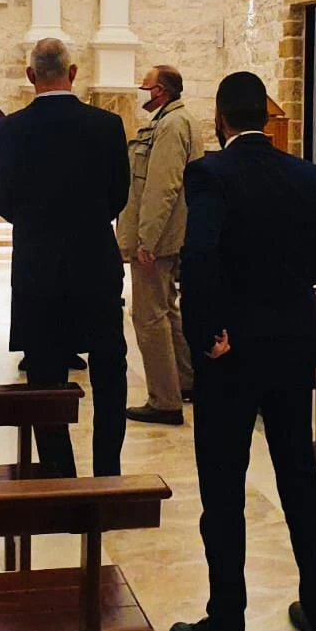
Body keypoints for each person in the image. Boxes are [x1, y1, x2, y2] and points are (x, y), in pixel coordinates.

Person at [171, 72, 316, 631]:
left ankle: (227, 621)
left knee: (223, 489)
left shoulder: (211, 172)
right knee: (300, 480)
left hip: (233, 354)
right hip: (291, 344)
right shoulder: (307, 175)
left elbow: (201, 253)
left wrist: (205, 332)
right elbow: (315, 260)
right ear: (264, 118)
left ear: (220, 118)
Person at [0, 38, 130, 478]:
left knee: (45, 372)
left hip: (37, 263)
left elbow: (1, 200)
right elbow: (118, 196)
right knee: (108, 367)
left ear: (31, 76)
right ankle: (107, 471)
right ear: (73, 73)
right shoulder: (107, 126)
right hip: (94, 260)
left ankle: (58, 471)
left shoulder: (8, 130)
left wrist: (36, 224)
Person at [117, 65, 202, 426]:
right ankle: (185, 381)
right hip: (165, 234)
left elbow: (162, 187)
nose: (142, 93)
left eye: (146, 87)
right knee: (167, 309)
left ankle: (164, 400)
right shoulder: (171, 120)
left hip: (158, 237)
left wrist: (146, 239)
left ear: (162, 91)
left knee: (149, 317)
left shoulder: (170, 126)